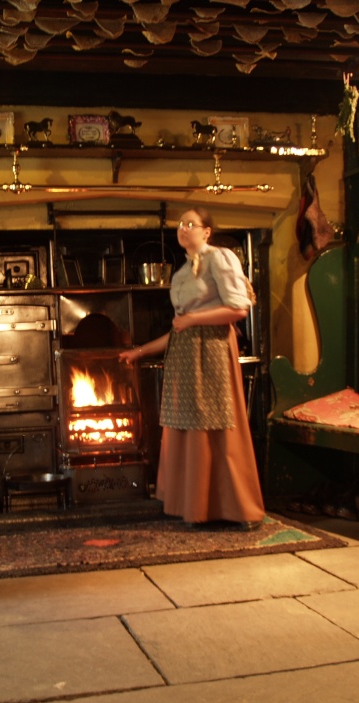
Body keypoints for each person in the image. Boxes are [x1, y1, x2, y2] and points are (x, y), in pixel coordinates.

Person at [119, 207, 265, 529]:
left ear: (207, 231)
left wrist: (194, 319)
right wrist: (139, 352)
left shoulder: (220, 258)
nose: (183, 229)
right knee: (187, 428)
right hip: (185, 354)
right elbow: (179, 327)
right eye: (179, 225)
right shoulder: (182, 272)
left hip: (211, 349)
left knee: (215, 424)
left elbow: (239, 309)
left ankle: (236, 507)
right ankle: (196, 506)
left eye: (190, 224)